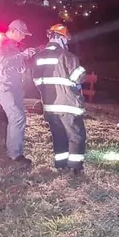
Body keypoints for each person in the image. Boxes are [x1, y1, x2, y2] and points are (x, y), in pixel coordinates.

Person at [32, 24, 88, 177]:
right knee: (76, 136)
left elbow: (36, 80)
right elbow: (79, 77)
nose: (66, 41)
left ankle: (61, 164)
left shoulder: (39, 56)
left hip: (50, 106)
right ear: (59, 37)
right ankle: (76, 167)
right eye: (65, 38)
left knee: (58, 135)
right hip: (68, 105)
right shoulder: (67, 56)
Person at [0, 19, 38, 165]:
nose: (24, 37)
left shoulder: (13, 45)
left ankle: (15, 150)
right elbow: (1, 61)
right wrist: (23, 55)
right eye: (22, 34)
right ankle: (15, 154)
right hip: (4, 86)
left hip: (14, 86)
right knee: (17, 117)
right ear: (14, 31)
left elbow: (16, 64)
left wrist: (25, 57)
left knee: (18, 117)